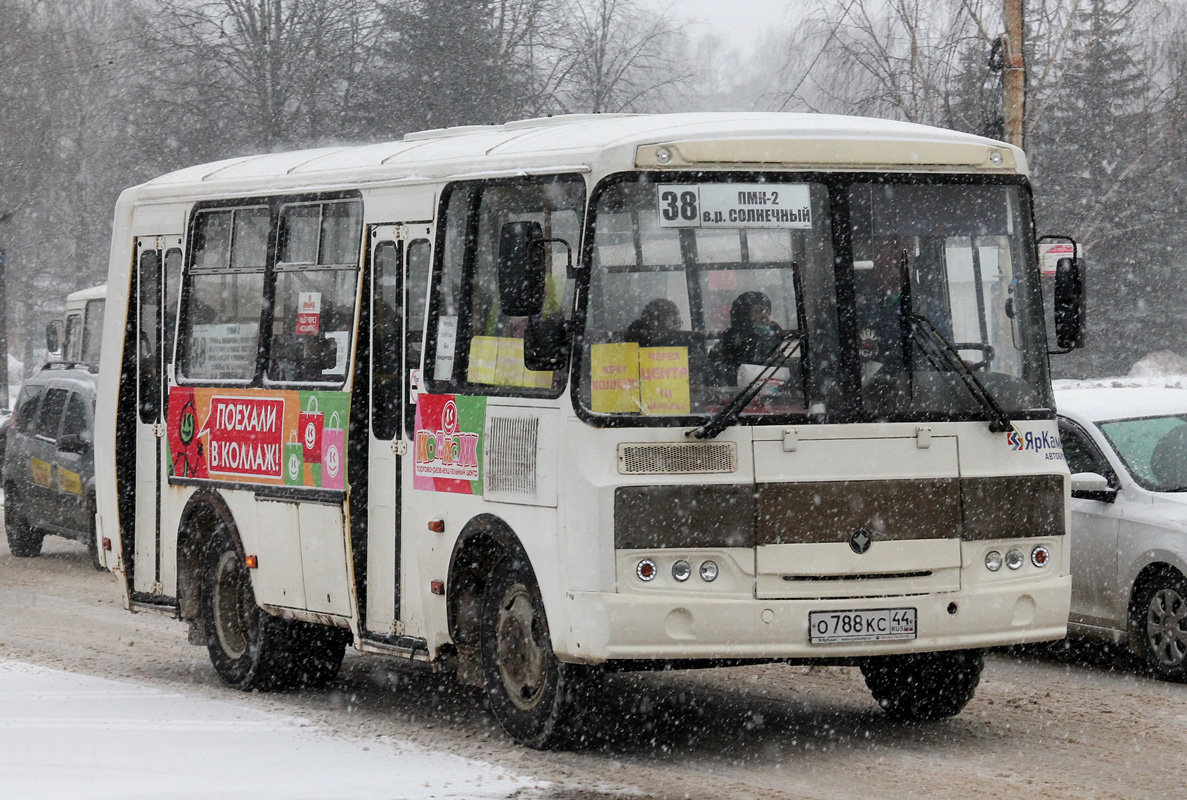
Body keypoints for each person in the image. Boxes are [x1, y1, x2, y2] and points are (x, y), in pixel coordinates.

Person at [710, 291, 784, 384]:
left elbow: (782, 379)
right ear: (743, 317)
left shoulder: (774, 346)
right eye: (758, 311)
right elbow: (720, 384)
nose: (764, 316)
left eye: (767, 311)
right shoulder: (723, 350)